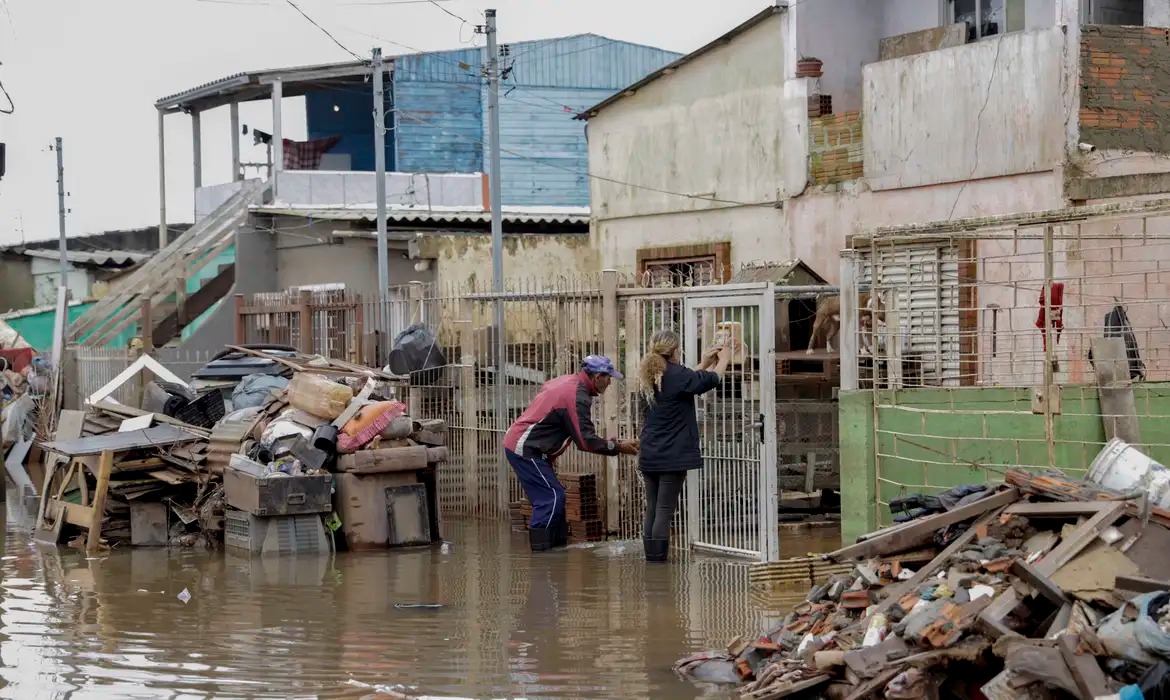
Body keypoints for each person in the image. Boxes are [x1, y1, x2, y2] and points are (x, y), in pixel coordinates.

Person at [504, 355, 638, 552]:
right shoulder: (577, 395)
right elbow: (586, 441)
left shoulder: (570, 383)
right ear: (597, 377)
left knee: (556, 498)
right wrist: (619, 448)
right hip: (525, 447)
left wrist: (616, 444)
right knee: (551, 498)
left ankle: (556, 551)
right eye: (608, 377)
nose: (610, 382)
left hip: (533, 447)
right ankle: (541, 557)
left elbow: (563, 425)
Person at [637, 330, 730, 562]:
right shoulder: (678, 374)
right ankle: (658, 563)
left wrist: (706, 362)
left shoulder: (649, 374)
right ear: (675, 350)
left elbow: (686, 382)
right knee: (664, 510)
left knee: (653, 507)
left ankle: (652, 560)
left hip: (650, 452)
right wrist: (725, 358)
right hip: (672, 455)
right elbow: (712, 380)